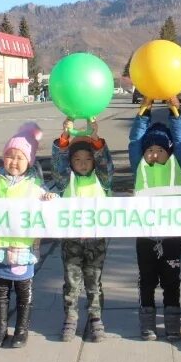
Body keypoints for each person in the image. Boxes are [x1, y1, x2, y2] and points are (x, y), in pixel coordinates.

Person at [0, 122, 56, 348]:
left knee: (22, 290)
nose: (14, 161)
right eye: (9, 156)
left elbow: (49, 203)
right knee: (0, 291)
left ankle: (21, 330)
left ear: (28, 160)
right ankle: (0, 330)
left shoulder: (34, 184)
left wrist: (50, 199)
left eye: (20, 157)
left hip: (23, 249)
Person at [128, 96, 181, 342]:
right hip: (146, 236)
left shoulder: (176, 166)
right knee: (147, 281)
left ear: (169, 152)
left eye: (160, 150)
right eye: (150, 150)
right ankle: (148, 324)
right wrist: (144, 113)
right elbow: (134, 142)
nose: (153, 154)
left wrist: (176, 113)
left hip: (171, 236)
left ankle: (173, 324)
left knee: (172, 281)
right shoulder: (139, 167)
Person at [50, 118, 114, 343]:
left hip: (96, 240)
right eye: (77, 159)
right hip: (72, 241)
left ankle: (96, 319)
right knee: (71, 281)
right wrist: (65, 139)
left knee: (94, 281)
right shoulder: (66, 181)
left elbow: (105, 162)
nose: (83, 163)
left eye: (88, 158)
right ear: (71, 163)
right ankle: (71, 318)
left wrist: (95, 141)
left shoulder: (102, 180)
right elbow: (58, 164)